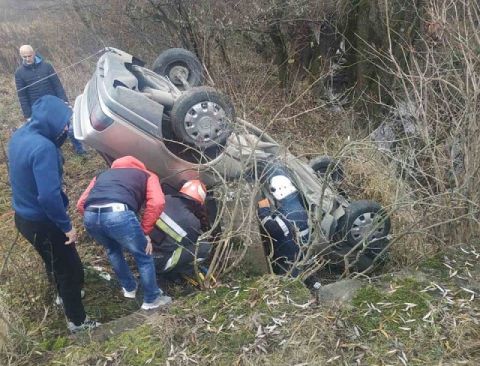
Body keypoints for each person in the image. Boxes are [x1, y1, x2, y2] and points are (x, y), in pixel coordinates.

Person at [8, 95, 98, 333]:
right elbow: (47, 197)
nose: (67, 129)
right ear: (51, 124)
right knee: (70, 269)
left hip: (23, 218)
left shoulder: (20, 135)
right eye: (64, 125)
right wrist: (66, 225)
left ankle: (63, 297)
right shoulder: (44, 148)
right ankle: (78, 321)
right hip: (44, 222)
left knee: (52, 262)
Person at [76, 156, 171, 310]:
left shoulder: (102, 174)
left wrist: (97, 218)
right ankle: (152, 299)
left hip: (90, 215)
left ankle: (129, 288)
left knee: (113, 250)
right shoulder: (147, 175)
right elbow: (157, 202)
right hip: (118, 212)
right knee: (144, 256)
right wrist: (145, 231)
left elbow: (81, 204)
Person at [14, 44, 86, 155]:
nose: (28, 59)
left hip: (54, 103)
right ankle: (57, 155)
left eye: (29, 56)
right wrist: (28, 115)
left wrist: (64, 100)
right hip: (38, 108)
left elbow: (57, 85)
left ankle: (80, 150)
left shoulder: (47, 66)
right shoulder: (19, 73)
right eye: (24, 57)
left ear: (34, 53)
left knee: (70, 128)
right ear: (21, 56)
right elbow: (22, 96)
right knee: (49, 134)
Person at [149, 180, 213, 281]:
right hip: (159, 262)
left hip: (143, 252)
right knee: (205, 247)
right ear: (197, 203)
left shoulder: (165, 199)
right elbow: (191, 244)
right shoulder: (191, 222)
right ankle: (179, 271)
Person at [257, 164, 310, 276]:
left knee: (290, 277)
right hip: (302, 252)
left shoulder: (289, 214)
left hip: (291, 257)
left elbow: (270, 226)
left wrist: (263, 208)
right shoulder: (296, 203)